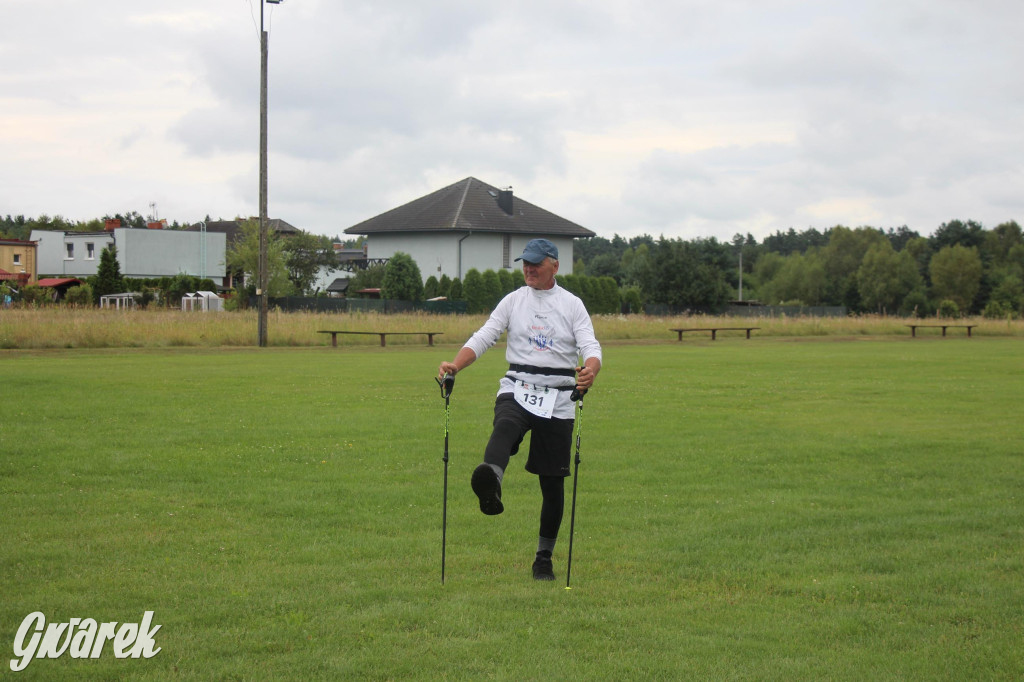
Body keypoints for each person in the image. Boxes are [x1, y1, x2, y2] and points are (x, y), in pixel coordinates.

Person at [437, 238, 602, 581]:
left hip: (558, 396)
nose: (528, 269)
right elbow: (484, 336)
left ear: (554, 265)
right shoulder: (513, 301)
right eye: (524, 263)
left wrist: (591, 368)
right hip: (519, 386)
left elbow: (590, 344)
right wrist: (456, 365)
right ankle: (491, 483)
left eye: (535, 264)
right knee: (505, 424)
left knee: (552, 482)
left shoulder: (572, 305)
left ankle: (544, 558)